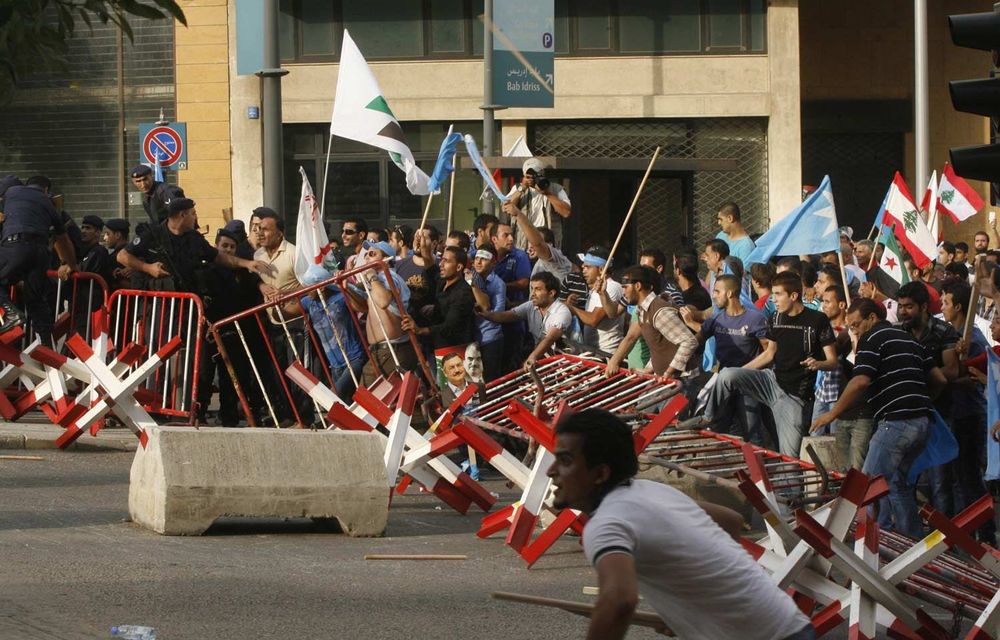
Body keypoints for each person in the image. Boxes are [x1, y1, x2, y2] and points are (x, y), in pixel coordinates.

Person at [548, 409, 815, 640]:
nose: (551, 470)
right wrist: (693, 608)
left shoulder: (606, 524)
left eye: (565, 460)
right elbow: (729, 521)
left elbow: (619, 600)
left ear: (600, 473)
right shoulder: (651, 490)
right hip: (789, 623)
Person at [811, 299, 946, 538]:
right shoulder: (909, 339)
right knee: (896, 484)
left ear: (872, 318)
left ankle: (865, 544)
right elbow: (939, 380)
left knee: (866, 486)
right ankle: (909, 543)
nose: (854, 331)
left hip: (896, 422)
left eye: (856, 324)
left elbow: (860, 381)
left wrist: (832, 413)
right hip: (922, 422)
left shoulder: (872, 339)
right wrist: (919, 401)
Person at [700, 271, 838, 457]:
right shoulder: (775, 318)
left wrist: (819, 364)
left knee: (789, 457)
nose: (774, 299)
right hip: (771, 381)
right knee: (727, 375)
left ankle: (789, 485)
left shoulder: (817, 320)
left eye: (778, 294)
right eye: (772, 294)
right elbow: (769, 353)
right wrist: (740, 373)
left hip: (794, 395)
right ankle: (706, 418)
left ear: (794, 295)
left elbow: (832, 361)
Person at [688, 274, 769, 445]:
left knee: (752, 434)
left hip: (747, 384)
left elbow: (769, 353)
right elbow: (695, 342)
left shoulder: (755, 319)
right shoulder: (716, 319)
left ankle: (760, 469)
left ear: (730, 293)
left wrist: (744, 372)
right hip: (722, 384)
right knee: (717, 432)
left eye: (717, 291)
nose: (713, 295)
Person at [0, 178, 77, 338]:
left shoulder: (10, 193)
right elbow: (63, 240)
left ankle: (10, 312)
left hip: (16, 245)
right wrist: (70, 264)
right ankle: (47, 345)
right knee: (35, 299)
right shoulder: (49, 203)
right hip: (41, 253)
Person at [605, 265, 698, 380]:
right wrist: (649, 369)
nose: (623, 293)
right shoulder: (642, 310)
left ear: (638, 286)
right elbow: (658, 347)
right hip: (667, 378)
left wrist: (669, 372)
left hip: (684, 380)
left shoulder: (659, 311)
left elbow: (689, 341)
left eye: (625, 287)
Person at [300, 262, 367, 402]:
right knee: (346, 403)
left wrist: (347, 289)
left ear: (322, 287)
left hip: (354, 358)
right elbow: (284, 313)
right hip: (335, 365)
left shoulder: (341, 296)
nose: (306, 291)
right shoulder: (309, 301)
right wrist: (277, 302)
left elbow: (363, 307)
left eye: (309, 287)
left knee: (334, 396)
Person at [478, 271, 572, 371]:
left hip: (565, 362)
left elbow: (550, 338)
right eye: (532, 289)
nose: (532, 294)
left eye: (538, 289)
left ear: (551, 293)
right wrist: (486, 314)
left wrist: (532, 357)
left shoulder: (561, 311)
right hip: (543, 360)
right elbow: (507, 315)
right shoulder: (531, 305)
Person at [401, 239, 475, 352]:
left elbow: (449, 327)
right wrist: (424, 247)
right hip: (434, 345)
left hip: (454, 351)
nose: (441, 264)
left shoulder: (463, 293)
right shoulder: (442, 281)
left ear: (459, 267)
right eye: (441, 260)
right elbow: (430, 267)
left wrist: (420, 330)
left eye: (446, 261)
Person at [566, 247, 625, 358]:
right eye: (583, 266)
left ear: (601, 269)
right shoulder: (594, 289)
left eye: (588, 267)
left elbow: (593, 320)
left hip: (607, 354)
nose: (583, 269)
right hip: (593, 351)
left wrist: (572, 308)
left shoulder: (612, 287)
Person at [490, 222, 531, 372]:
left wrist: (498, 286)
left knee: (511, 365)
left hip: (513, 319)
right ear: (494, 239)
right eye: (505, 235)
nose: (511, 238)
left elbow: (524, 282)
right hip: (489, 321)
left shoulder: (520, 256)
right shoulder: (485, 255)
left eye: (511, 234)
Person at [507, 157, 571, 250]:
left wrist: (547, 193)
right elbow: (506, 208)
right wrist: (522, 189)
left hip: (548, 243)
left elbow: (566, 212)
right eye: (528, 176)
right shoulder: (518, 189)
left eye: (536, 175)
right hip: (524, 244)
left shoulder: (556, 189)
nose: (532, 179)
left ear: (542, 173)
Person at [503, 200, 572, 282]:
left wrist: (518, 214)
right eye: (529, 242)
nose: (531, 246)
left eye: (534, 243)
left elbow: (538, 244)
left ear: (549, 245)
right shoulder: (525, 260)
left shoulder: (556, 258)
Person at [469, 243, 506, 382]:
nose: (478, 262)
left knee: (491, 380)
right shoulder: (470, 278)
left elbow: (499, 313)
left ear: (493, 262)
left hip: (490, 338)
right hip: (473, 337)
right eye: (477, 258)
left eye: (483, 259)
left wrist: (480, 308)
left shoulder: (498, 284)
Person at [103, 218, 131, 290]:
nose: (104, 238)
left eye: (107, 234)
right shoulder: (129, 251)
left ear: (118, 235)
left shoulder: (118, 257)